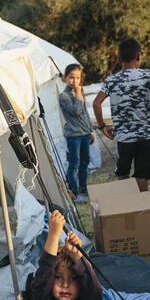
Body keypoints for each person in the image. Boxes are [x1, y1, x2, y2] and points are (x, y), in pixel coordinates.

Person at [92, 38, 150, 192]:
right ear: (139, 56)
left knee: (123, 174)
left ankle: (127, 208)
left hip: (123, 137)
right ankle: (142, 210)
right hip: (146, 136)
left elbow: (96, 103)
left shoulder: (111, 80)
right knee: (142, 175)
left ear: (118, 59)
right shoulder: (147, 75)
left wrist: (102, 126)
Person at [58, 64, 95, 204]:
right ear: (65, 78)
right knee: (74, 164)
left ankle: (84, 189)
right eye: (71, 78)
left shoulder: (80, 92)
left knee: (85, 162)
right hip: (73, 135)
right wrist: (79, 93)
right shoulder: (64, 96)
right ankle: (74, 193)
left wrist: (90, 130)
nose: (75, 81)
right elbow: (76, 111)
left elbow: (85, 113)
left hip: (85, 133)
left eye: (78, 78)